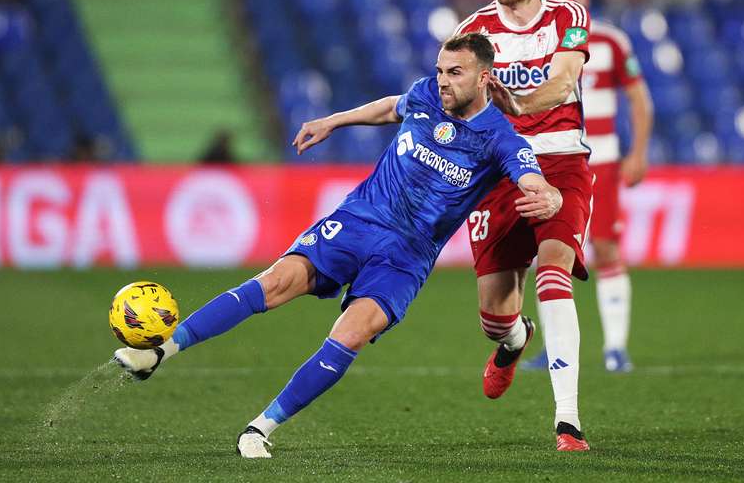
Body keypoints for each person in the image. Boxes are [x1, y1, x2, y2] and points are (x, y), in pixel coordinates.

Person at [112, 33, 563, 458]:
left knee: (351, 333)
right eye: (441, 70)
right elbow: (393, 108)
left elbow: (529, 175)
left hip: (407, 255)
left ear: (484, 77)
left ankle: (259, 428)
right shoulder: (427, 93)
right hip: (358, 220)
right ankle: (157, 352)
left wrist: (547, 193)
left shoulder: (500, 137)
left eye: (456, 73)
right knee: (273, 282)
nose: (443, 80)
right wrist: (334, 120)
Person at [454, 0, 593, 451]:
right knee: (495, 316)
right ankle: (515, 342)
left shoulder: (569, 16)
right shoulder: (473, 30)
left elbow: (562, 81)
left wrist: (520, 104)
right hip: (499, 172)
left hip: (560, 164)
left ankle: (568, 421)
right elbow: (453, 97)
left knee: (553, 271)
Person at [522, 0, 653, 373]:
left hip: (604, 159)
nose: (564, 5)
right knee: (549, 252)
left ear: (585, 0)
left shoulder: (611, 41)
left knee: (607, 248)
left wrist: (638, 152)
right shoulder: (533, 42)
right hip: (554, 158)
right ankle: (552, 347)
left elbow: (639, 99)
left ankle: (615, 347)